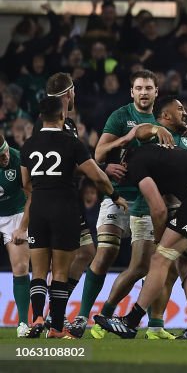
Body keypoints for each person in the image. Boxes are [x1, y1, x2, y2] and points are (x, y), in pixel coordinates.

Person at [93, 143, 187, 340]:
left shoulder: (136, 162)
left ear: (123, 160)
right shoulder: (158, 155)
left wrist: (159, 240)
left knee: (159, 259)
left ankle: (130, 322)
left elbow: (159, 210)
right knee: (186, 263)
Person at [84, 73, 183, 340]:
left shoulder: (165, 120)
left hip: (150, 198)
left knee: (158, 264)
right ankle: (86, 316)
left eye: (148, 88)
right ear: (131, 92)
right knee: (106, 254)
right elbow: (98, 154)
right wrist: (111, 159)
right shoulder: (120, 116)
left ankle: (155, 325)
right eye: (138, 88)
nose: (143, 92)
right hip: (118, 194)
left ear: (156, 92)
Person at [20, 96, 127, 339]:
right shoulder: (72, 144)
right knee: (59, 272)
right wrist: (115, 195)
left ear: (40, 117)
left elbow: (25, 183)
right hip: (64, 210)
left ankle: (36, 318)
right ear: (62, 116)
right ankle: (56, 327)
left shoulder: (29, 144)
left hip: (38, 208)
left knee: (37, 271)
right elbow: (98, 176)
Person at [32, 73, 97, 336]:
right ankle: (50, 317)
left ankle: (51, 314)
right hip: (55, 202)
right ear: (70, 93)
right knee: (54, 263)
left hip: (65, 199)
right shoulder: (50, 123)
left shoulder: (66, 123)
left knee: (86, 252)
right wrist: (99, 170)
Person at [0, 134, 32, 337]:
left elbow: (32, 194)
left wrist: (22, 227)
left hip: (15, 213)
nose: (5, 158)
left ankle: (22, 323)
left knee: (20, 265)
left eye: (4, 152)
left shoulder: (18, 159)